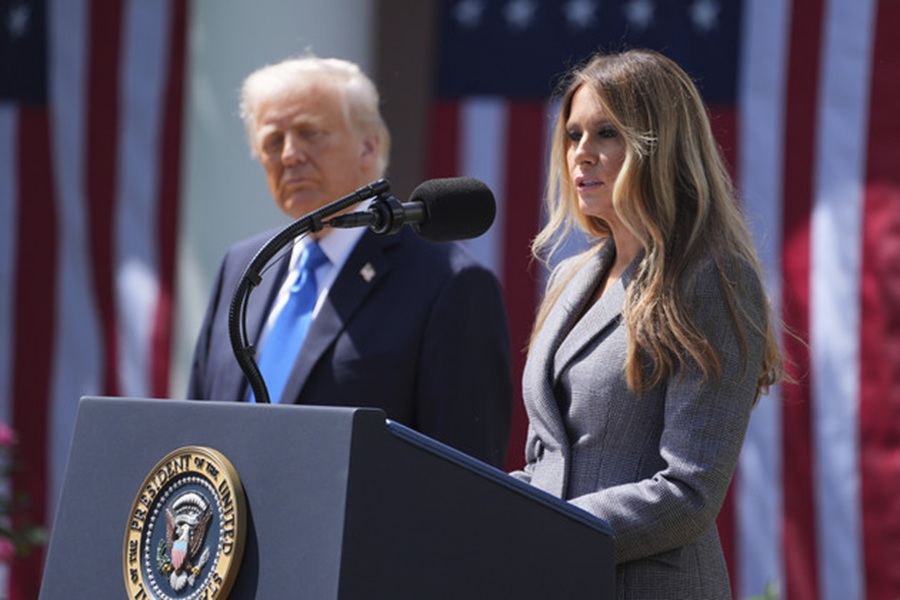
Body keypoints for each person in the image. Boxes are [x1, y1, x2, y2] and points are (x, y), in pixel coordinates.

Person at [509, 49, 784, 597]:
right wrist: (483, 506)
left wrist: (550, 530)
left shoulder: (712, 277)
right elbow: (548, 460)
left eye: (606, 133)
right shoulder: (569, 276)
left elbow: (689, 492)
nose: (581, 152)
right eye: (573, 135)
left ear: (660, 144)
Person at [187, 56, 512, 468]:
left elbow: (464, 475)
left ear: (369, 146)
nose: (289, 155)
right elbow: (195, 430)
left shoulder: (450, 282)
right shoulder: (242, 268)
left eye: (309, 133)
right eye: (272, 142)